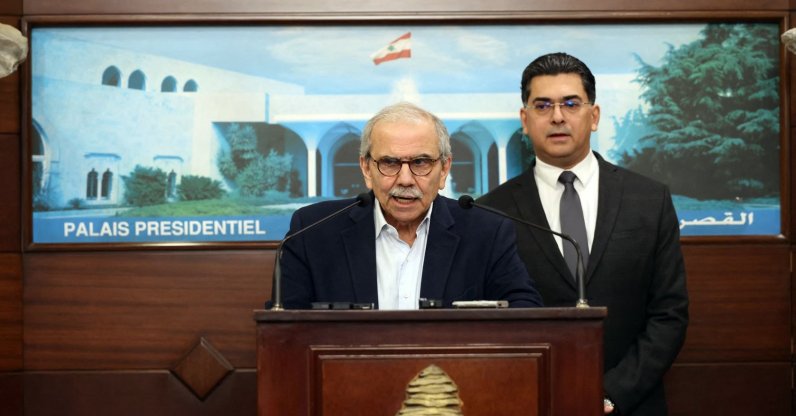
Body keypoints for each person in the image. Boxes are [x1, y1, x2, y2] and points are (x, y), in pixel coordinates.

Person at [478, 53, 688, 415]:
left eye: (570, 103)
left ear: (594, 116)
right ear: (525, 120)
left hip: (631, 404)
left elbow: (669, 313)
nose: (557, 116)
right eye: (542, 105)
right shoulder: (490, 212)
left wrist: (611, 394)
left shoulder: (648, 200)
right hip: (530, 401)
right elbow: (487, 323)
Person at [276, 101, 543, 310]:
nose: (405, 179)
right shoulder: (312, 232)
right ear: (367, 169)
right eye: (390, 163)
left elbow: (523, 310)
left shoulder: (486, 232)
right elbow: (285, 326)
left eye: (421, 163)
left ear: (444, 169)